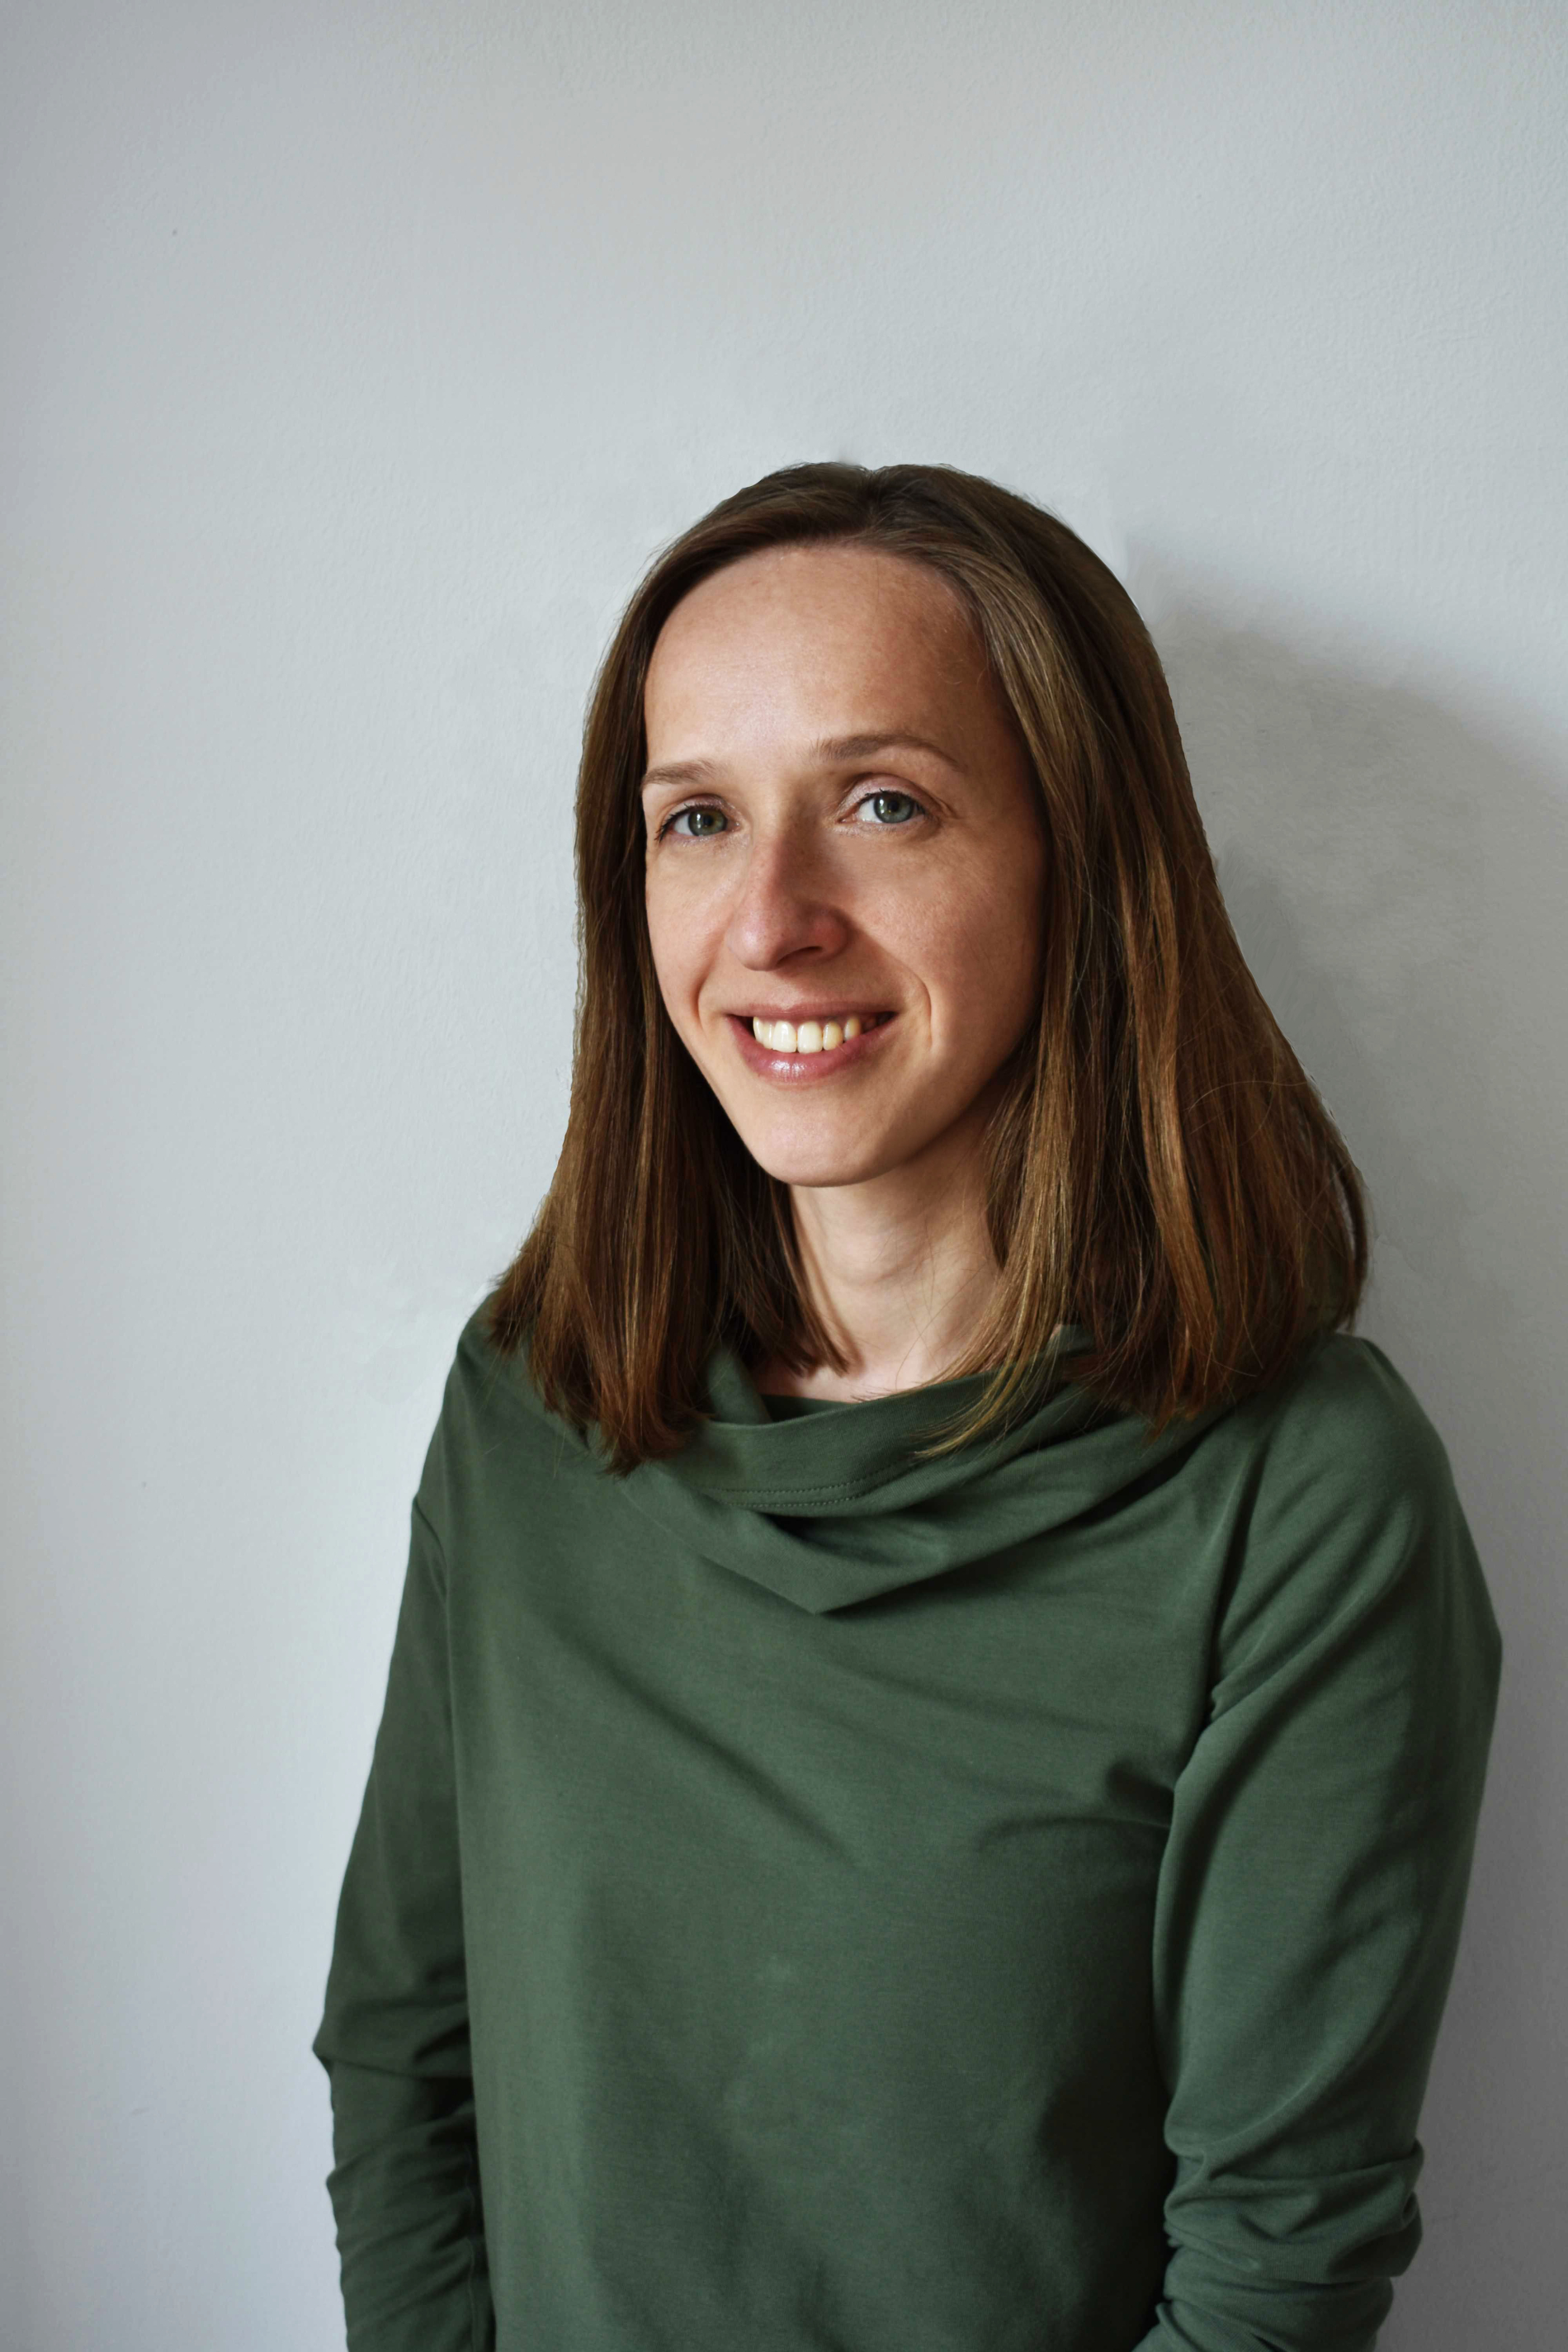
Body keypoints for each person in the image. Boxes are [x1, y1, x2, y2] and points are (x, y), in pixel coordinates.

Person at [313, 462, 1500, 2351]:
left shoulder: (1299, 1494)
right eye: (694, 818)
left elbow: (1275, 2257)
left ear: (1076, 858)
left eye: (881, 804)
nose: (771, 919)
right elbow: (403, 2060)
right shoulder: (535, 1408)